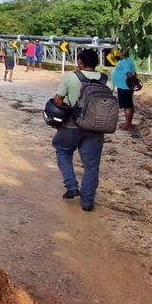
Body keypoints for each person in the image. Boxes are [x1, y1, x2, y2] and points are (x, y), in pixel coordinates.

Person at [51, 48, 109, 211]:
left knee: (63, 151)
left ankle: (71, 186)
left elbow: (58, 100)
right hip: (95, 128)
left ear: (80, 62)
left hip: (71, 125)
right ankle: (87, 202)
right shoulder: (106, 79)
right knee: (91, 166)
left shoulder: (71, 76)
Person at [111, 51, 138, 130]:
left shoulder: (125, 61)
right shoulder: (128, 60)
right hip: (124, 86)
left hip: (124, 86)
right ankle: (128, 122)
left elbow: (129, 74)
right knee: (128, 105)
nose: (118, 53)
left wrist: (134, 82)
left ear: (123, 53)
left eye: (119, 52)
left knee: (127, 105)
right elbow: (134, 73)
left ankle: (128, 123)